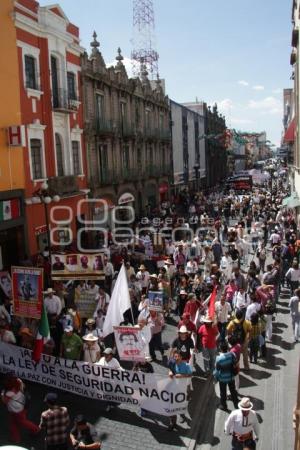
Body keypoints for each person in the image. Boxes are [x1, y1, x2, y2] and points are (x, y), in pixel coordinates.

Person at [1, 374, 39, 444]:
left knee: (21, 422)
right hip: (22, 405)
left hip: (16, 411)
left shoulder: (9, 393)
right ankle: (16, 438)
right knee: (13, 424)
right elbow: (23, 386)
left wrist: (2, 393)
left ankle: (35, 429)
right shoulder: (19, 381)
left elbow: (4, 401)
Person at [168, 350, 192, 430]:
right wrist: (170, 373)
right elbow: (170, 371)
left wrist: (181, 375)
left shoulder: (186, 365)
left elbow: (190, 374)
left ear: (181, 357)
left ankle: (182, 415)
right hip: (173, 389)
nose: (176, 358)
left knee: (181, 404)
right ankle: (172, 423)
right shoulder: (172, 363)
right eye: (175, 356)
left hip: (182, 389)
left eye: (178, 356)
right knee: (172, 406)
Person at [214, 341, 239, 411]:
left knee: (223, 392)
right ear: (227, 348)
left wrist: (215, 377)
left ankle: (223, 406)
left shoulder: (218, 359)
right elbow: (236, 363)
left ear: (220, 349)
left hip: (222, 379)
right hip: (231, 377)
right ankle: (236, 403)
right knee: (233, 390)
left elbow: (217, 370)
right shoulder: (232, 354)